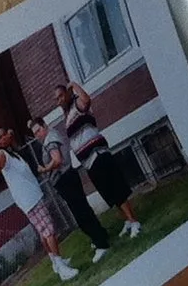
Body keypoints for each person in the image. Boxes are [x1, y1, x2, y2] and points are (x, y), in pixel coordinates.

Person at [56, 82, 143, 239]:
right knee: (109, 193)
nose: (59, 101)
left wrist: (74, 84)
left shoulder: (77, 105)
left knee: (116, 189)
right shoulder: (67, 116)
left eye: (61, 96)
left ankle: (134, 221)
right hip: (88, 162)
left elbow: (87, 100)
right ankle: (127, 220)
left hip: (97, 154)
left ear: (68, 93)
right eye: (57, 99)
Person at [0, 124, 78, 282]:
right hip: (29, 199)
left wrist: (11, 136)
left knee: (43, 232)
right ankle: (61, 267)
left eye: (4, 135)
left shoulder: (13, 153)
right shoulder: (2, 155)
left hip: (32, 196)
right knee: (49, 231)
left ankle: (55, 262)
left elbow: (17, 148)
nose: (3, 138)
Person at [35, 111, 114, 262]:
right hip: (69, 176)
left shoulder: (50, 140)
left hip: (65, 179)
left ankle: (101, 244)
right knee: (84, 209)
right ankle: (100, 235)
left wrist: (44, 169)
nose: (38, 135)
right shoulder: (53, 135)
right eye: (35, 133)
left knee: (81, 214)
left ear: (45, 126)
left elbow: (57, 160)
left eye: (39, 130)